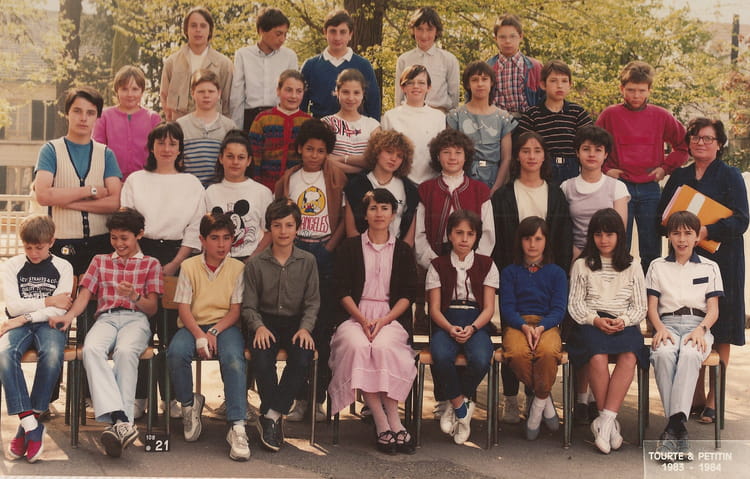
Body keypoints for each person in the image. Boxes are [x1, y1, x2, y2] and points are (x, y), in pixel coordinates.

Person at [656, 118, 748, 425]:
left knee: (721, 325)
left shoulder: (730, 175)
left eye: (708, 138)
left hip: (724, 258)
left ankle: (713, 397)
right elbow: (662, 216)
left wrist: (707, 230)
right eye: (695, 137)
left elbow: (741, 219)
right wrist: (680, 231)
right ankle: (694, 395)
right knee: (690, 321)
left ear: (719, 144)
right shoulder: (680, 176)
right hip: (685, 259)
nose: (701, 143)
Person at [51, 208, 163, 458]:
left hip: (136, 319)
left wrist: (134, 296)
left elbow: (152, 308)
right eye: (114, 237)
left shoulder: (151, 264)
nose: (119, 243)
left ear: (139, 235)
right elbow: (84, 296)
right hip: (106, 318)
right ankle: (122, 419)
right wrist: (68, 316)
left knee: (125, 351)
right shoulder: (100, 261)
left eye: (124, 238)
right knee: (91, 349)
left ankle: (120, 424)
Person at [121, 121, 206, 418]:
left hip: (177, 257)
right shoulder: (136, 180)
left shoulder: (192, 184)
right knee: (140, 331)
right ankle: (138, 397)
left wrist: (174, 264)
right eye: (161, 142)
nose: (166, 148)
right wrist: (144, 262)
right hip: (140, 256)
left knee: (171, 332)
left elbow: (195, 229)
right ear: (151, 147)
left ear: (180, 148)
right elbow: (127, 223)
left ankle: (171, 399)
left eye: (173, 143)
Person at [328, 189, 418, 454]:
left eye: (385, 208)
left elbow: (408, 294)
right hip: (355, 315)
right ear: (365, 214)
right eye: (373, 208)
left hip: (390, 317)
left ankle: (395, 421)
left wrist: (384, 320)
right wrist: (362, 319)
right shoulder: (349, 247)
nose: (379, 214)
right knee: (358, 346)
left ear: (393, 214)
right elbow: (340, 290)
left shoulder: (402, 250)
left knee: (383, 348)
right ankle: (381, 422)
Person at [491, 131, 572, 423]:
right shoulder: (503, 195)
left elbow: (562, 238)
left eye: (537, 150)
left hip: (547, 277)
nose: (531, 156)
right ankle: (512, 398)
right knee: (512, 340)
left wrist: (558, 273)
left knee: (543, 344)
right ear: (517, 156)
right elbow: (497, 240)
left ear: (544, 156)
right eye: (525, 150)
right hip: (513, 275)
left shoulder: (555, 193)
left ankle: (535, 397)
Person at [274, 119, 346, 422]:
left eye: (321, 150)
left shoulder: (336, 176)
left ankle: (317, 399)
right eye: (309, 149)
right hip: (296, 250)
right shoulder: (289, 178)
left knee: (321, 327)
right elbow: (280, 215)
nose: (314, 155)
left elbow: (344, 216)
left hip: (324, 249)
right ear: (300, 149)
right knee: (296, 325)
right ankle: (299, 398)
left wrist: (329, 247)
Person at [166, 213, 249, 461]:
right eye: (214, 238)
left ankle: (237, 425)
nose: (221, 244)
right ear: (202, 240)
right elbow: (183, 309)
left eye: (226, 238)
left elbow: (235, 311)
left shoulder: (238, 268)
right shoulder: (189, 266)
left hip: (225, 326)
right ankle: (189, 405)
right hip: (193, 324)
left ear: (233, 239)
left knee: (234, 359)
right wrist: (200, 335)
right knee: (175, 353)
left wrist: (213, 332)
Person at [567, 208, 647, 454]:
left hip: (623, 321)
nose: (604, 240)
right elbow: (575, 304)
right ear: (591, 236)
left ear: (619, 236)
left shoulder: (633, 265)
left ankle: (604, 422)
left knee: (630, 355)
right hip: (591, 322)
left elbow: (640, 305)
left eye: (609, 234)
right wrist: (595, 320)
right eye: (598, 234)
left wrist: (624, 320)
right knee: (597, 355)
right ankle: (609, 426)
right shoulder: (582, 265)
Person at [596, 61, 688, 273]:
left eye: (641, 90)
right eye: (631, 90)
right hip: (619, 187)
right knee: (620, 244)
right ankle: (622, 288)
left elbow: (683, 146)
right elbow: (593, 144)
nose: (636, 95)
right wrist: (606, 169)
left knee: (651, 248)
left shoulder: (660, 115)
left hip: (649, 189)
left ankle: (651, 290)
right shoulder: (610, 115)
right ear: (622, 89)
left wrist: (665, 168)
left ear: (649, 90)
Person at [242, 199, 319, 452]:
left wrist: (305, 328)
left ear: (298, 228)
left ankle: (271, 414)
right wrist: (258, 327)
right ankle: (273, 417)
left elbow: (312, 302)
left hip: (296, 323)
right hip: (266, 322)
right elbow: (249, 306)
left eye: (289, 225)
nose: (283, 231)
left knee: (303, 356)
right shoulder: (256, 264)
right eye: (277, 225)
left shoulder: (308, 261)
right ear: (269, 228)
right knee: (262, 358)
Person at [646, 211, 723, 458]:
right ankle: (678, 429)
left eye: (688, 233)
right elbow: (651, 307)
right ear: (669, 236)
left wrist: (701, 330)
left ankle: (673, 428)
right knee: (662, 354)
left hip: (697, 325)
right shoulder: (657, 266)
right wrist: (659, 328)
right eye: (676, 233)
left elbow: (713, 310)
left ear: (697, 237)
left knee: (691, 354)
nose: (682, 239)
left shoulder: (710, 266)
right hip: (666, 323)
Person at [0, 215, 74, 463]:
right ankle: (32, 425)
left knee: (52, 355)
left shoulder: (63, 267)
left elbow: (61, 310)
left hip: (48, 324)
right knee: (4, 353)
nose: (33, 253)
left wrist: (25, 316)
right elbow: (13, 305)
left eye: (39, 248)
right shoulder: (12, 265)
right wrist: (49, 300)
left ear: (51, 241)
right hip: (19, 325)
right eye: (28, 247)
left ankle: (25, 429)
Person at [33, 86, 122, 276]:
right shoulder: (50, 150)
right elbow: (43, 195)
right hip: (61, 242)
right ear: (67, 113)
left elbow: (114, 202)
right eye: (77, 111)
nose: (83, 118)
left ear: (97, 117)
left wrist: (65, 201)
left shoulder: (106, 154)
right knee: (66, 292)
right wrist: (90, 191)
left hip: (101, 242)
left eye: (90, 113)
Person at [427, 210, 497, 445]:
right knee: (440, 354)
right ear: (450, 235)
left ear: (477, 237)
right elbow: (434, 309)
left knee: (481, 357)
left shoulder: (487, 264)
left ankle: (456, 404)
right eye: (459, 233)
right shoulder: (438, 265)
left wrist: (473, 328)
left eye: (470, 234)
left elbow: (489, 308)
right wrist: (449, 328)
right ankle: (461, 408)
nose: (464, 239)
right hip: (446, 321)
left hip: (476, 321)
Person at [499, 216, 567, 440]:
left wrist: (541, 327)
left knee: (547, 352)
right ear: (520, 241)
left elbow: (559, 309)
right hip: (517, 324)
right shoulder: (510, 272)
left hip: (547, 324)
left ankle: (537, 408)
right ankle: (545, 399)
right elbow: (507, 308)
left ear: (546, 241)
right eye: (527, 238)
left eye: (538, 239)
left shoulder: (556, 273)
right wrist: (524, 326)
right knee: (517, 354)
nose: (532, 244)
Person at [415, 128, 495, 270]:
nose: (452, 157)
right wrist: (433, 263)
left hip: (472, 263)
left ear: (466, 157)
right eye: (446, 152)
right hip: (434, 262)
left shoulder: (480, 190)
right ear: (438, 156)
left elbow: (488, 233)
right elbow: (420, 232)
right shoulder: (426, 190)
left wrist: (473, 263)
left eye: (458, 153)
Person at [516, 60, 592, 183]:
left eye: (564, 81)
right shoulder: (532, 115)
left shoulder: (578, 113)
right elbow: (522, 148)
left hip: (573, 171)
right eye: (553, 81)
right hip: (542, 170)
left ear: (570, 84)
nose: (559, 85)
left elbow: (589, 144)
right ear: (543, 85)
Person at [561, 125, 629, 261]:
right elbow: (563, 230)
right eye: (586, 149)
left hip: (608, 257)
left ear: (605, 154)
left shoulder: (618, 187)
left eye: (598, 150)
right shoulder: (566, 187)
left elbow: (620, 231)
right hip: (575, 257)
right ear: (577, 152)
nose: (592, 154)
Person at [448, 61, 517, 193]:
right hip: (463, 181)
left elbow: (506, 158)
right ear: (468, 84)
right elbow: (450, 153)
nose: (480, 84)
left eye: (484, 79)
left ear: (491, 83)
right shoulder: (456, 116)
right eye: (474, 80)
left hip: (494, 180)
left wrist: (496, 189)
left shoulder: (503, 118)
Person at [300, 9, 381, 120]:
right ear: (325, 33)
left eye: (342, 32)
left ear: (350, 34)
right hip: (320, 127)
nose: (337, 37)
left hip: (356, 128)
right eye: (333, 31)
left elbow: (373, 105)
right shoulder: (311, 66)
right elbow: (300, 106)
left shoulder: (363, 66)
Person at [206, 131, 273, 261]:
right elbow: (205, 232)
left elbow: (270, 232)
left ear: (249, 160)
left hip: (252, 261)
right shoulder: (210, 192)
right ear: (221, 158)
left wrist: (253, 258)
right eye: (230, 156)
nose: (235, 162)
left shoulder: (262, 192)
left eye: (241, 157)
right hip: (218, 261)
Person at [345, 130, 418, 245]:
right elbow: (351, 231)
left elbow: (409, 236)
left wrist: (401, 252)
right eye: (389, 152)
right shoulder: (356, 185)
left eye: (399, 156)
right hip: (362, 250)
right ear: (377, 152)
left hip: (397, 251)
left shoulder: (409, 189)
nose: (393, 158)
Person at [229, 7, 298, 131]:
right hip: (251, 117)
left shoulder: (289, 56)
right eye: (278, 34)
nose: (282, 39)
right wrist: (236, 130)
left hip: (280, 117)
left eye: (285, 34)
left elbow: (293, 94)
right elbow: (237, 97)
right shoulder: (243, 55)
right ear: (261, 30)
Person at [161, 6, 233, 121]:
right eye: (193, 25)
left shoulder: (224, 64)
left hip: (211, 126)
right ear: (186, 29)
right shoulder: (172, 62)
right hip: (179, 126)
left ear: (210, 30)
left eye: (203, 26)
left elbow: (227, 102)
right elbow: (164, 97)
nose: (198, 30)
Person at [93, 65, 161, 181]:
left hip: (146, 179)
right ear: (117, 91)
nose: (130, 94)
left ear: (142, 91)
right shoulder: (104, 116)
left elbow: (159, 152)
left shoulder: (153, 118)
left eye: (135, 89)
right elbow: (97, 150)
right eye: (124, 89)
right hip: (112, 179)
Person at [382, 65, 445, 186]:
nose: (416, 86)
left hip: (432, 181)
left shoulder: (439, 117)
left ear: (429, 87)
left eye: (421, 83)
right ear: (403, 87)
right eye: (410, 82)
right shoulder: (390, 116)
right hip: (400, 180)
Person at [249, 69, 311, 191]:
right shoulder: (262, 119)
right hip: (265, 186)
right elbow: (254, 155)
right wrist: (255, 184)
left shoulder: (308, 122)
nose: (293, 96)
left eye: (299, 91)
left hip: (297, 186)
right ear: (278, 90)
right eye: (288, 90)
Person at [176, 70, 237, 187]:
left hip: (220, 189)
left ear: (219, 93)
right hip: (189, 188)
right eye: (201, 91)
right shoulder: (181, 125)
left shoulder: (229, 126)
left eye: (211, 91)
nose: (206, 95)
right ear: (192, 93)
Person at [395, 7, 460, 113]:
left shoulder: (449, 60)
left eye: (429, 29)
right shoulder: (404, 60)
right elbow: (399, 97)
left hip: (440, 115)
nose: (424, 35)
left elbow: (454, 98)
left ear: (436, 31)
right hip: (409, 115)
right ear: (413, 30)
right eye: (419, 29)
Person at [321, 69, 381, 174]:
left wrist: (341, 158)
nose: (351, 98)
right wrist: (358, 169)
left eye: (356, 93)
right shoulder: (326, 123)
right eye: (345, 92)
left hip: (365, 182)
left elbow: (374, 160)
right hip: (333, 179)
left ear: (363, 94)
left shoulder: (373, 125)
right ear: (337, 92)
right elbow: (323, 159)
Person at [486, 13, 543, 116]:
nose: (508, 41)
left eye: (512, 36)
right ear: (495, 39)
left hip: (528, 120)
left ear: (520, 36)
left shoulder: (535, 67)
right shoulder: (487, 68)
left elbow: (546, 99)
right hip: (495, 121)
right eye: (502, 37)